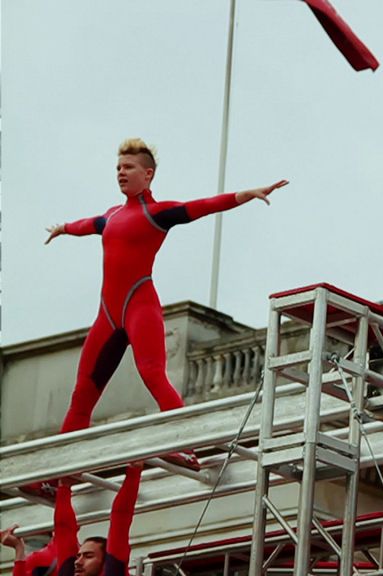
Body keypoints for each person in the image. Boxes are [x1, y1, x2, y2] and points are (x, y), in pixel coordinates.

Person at [44, 138, 288, 471]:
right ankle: (57, 471)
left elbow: (204, 205)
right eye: (117, 167)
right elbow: (87, 225)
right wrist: (63, 228)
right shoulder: (111, 215)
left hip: (139, 307)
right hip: (107, 314)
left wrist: (245, 194)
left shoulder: (157, 213)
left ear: (148, 174)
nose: (120, 173)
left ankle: (187, 448)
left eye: (128, 167)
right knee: (82, 393)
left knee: (153, 375)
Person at [3, 464, 142, 576]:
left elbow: (121, 518)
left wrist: (134, 471)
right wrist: (64, 486)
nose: (78, 562)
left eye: (88, 556)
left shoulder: (113, 571)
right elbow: (64, 530)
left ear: (105, 562)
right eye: (78, 556)